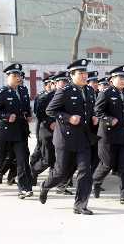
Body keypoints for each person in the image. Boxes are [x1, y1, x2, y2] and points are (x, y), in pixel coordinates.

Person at [39, 59, 95, 215]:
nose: (84, 76)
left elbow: (90, 111)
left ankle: (80, 205)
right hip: (66, 138)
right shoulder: (65, 91)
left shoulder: (90, 91)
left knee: (85, 171)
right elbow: (50, 111)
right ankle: (45, 186)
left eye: (85, 73)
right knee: (61, 172)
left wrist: (94, 117)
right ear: (72, 75)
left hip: (83, 138)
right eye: (81, 73)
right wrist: (68, 118)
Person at [0, 63, 33, 199]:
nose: (17, 78)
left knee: (22, 160)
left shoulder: (23, 90)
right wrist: (6, 116)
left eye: (19, 75)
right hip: (5, 132)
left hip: (20, 131)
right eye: (14, 76)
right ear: (8, 77)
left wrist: (28, 114)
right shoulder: (1, 92)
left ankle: (24, 188)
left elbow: (25, 107)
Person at [93, 65, 124, 205]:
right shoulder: (105, 93)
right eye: (120, 77)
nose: (123, 80)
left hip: (123, 134)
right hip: (107, 135)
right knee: (107, 164)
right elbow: (98, 112)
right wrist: (110, 119)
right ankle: (96, 181)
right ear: (112, 80)